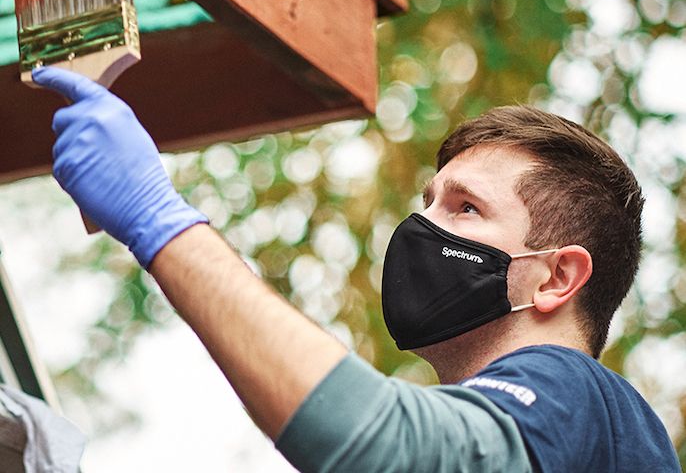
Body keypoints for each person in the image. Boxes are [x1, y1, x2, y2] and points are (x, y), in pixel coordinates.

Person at [31, 66, 680, 472]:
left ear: (555, 278)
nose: (423, 229)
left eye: (467, 208)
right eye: (428, 201)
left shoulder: (576, 395)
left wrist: (157, 218)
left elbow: (386, 449)